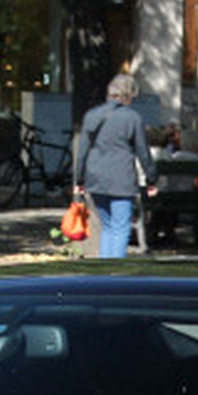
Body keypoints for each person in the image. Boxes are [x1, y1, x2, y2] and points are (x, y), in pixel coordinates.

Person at [71, 72, 153, 259]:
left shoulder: (91, 116)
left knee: (107, 226)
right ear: (129, 95)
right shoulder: (133, 118)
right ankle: (115, 273)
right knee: (121, 227)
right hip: (122, 179)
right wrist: (151, 178)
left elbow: (83, 150)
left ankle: (104, 272)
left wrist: (80, 179)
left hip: (96, 178)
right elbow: (143, 152)